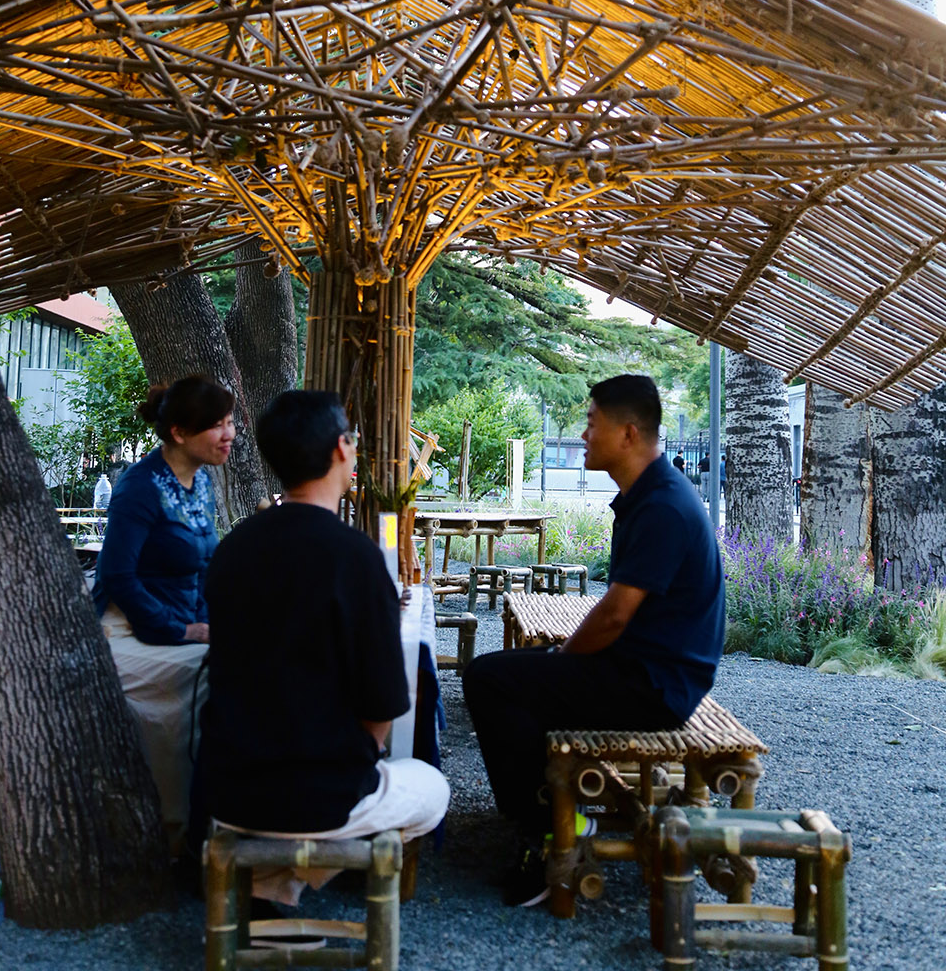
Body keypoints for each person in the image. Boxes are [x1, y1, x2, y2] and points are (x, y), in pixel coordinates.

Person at [463, 373, 725, 906]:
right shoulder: (648, 495)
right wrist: (556, 659)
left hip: (655, 687)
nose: (583, 435)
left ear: (628, 433)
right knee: (515, 672)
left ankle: (551, 830)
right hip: (641, 669)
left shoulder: (662, 505)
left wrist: (562, 656)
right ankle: (552, 805)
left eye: (591, 423)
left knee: (489, 679)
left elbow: (613, 617)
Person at [197, 390, 449, 907]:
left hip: (226, 788)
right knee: (432, 788)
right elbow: (383, 703)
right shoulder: (355, 557)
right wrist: (356, 764)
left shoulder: (233, 549)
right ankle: (286, 877)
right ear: (341, 448)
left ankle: (273, 889)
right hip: (322, 796)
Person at [92, 375, 236, 849]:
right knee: (212, 678)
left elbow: (205, 566)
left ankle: (216, 819)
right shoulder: (139, 487)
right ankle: (171, 833)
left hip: (185, 620)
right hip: (126, 627)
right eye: (217, 425)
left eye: (230, 422)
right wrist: (184, 630)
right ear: (178, 432)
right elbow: (117, 576)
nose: (230, 434)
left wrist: (214, 621)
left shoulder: (202, 481)